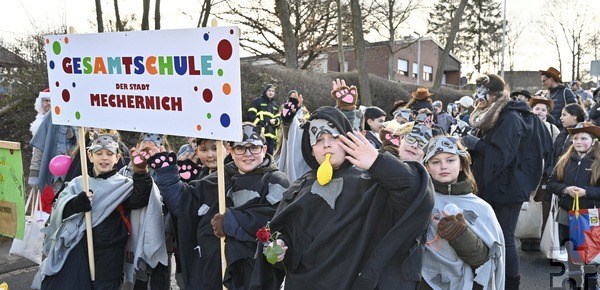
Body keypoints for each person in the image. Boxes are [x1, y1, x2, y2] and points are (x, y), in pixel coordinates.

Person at [250, 106, 434, 289]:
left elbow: (417, 194)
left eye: (333, 137)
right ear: (311, 148)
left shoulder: (373, 183)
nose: (326, 144)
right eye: (319, 140)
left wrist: (377, 162)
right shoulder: (299, 188)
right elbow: (288, 234)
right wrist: (281, 245)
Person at [151, 123, 290, 290]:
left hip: (253, 275)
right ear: (230, 150)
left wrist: (232, 222)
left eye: (253, 147)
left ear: (264, 149)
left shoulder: (276, 181)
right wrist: (167, 175)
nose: (248, 154)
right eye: (240, 148)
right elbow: (185, 204)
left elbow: (279, 221)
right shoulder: (219, 179)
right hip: (213, 272)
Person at [33, 134, 166, 289]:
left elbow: (138, 200)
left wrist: (141, 173)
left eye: (109, 154)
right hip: (80, 248)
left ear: (117, 157)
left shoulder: (124, 185)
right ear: (90, 156)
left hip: (111, 252)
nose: (104, 158)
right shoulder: (78, 183)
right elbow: (59, 213)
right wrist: (76, 204)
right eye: (99, 153)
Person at [460, 73, 552, 289]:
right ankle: (497, 279)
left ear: (491, 96)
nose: (478, 99)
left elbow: (502, 155)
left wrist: (475, 143)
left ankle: (511, 283)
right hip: (501, 184)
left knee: (504, 237)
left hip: (507, 187)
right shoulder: (500, 113)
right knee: (495, 235)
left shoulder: (510, 117)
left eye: (482, 94)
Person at [420, 136, 505, 290]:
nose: (443, 166)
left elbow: (484, 260)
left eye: (450, 160)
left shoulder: (481, 207)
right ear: (427, 167)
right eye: (435, 162)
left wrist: (460, 235)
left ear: (461, 164)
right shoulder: (419, 201)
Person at [547, 122, 600, 287]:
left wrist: (587, 192)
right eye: (575, 138)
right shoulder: (564, 159)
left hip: (591, 216)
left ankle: (591, 284)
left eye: (584, 138)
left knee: (590, 255)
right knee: (573, 256)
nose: (578, 141)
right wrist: (564, 189)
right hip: (566, 215)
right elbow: (551, 183)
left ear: (593, 141)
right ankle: (575, 282)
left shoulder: (598, 162)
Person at [247, 84, 281, 156]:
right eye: (269, 90)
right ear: (265, 91)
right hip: (259, 135)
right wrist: (262, 123)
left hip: (271, 137)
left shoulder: (275, 106)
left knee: (269, 158)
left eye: (273, 91)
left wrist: (276, 121)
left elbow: (279, 119)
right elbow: (251, 115)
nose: (271, 93)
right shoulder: (257, 101)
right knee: (259, 156)